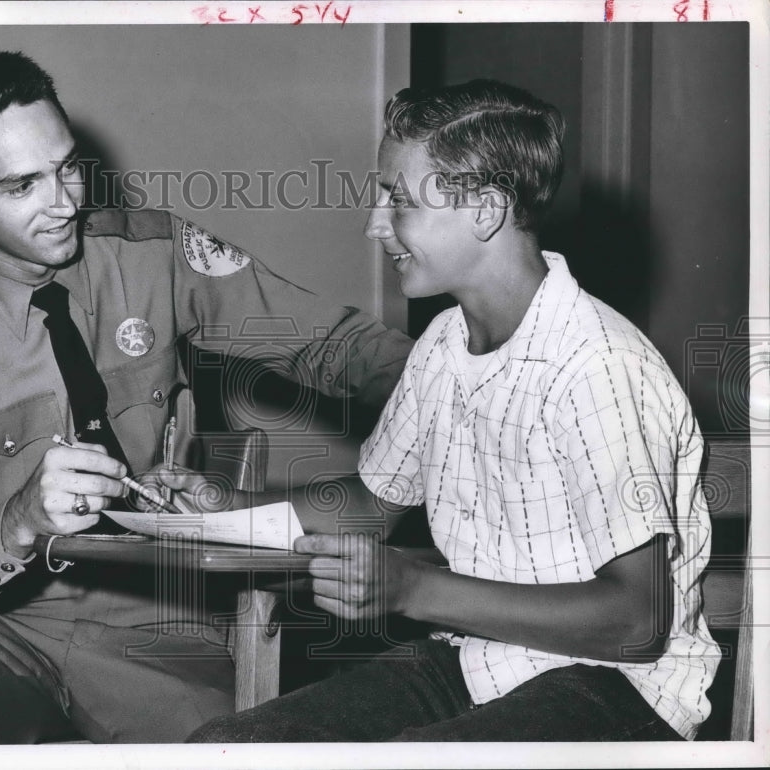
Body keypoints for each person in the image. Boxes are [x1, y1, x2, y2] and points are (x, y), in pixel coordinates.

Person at [0, 50, 414, 745]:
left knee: (246, 741)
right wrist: (20, 522)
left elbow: (336, 346)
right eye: (22, 185)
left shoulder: (154, 252)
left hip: (161, 627)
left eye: (68, 166)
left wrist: (468, 388)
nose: (66, 201)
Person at [181, 80, 721, 742]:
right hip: (476, 657)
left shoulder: (596, 365)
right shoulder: (441, 345)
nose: (376, 224)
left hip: (619, 688)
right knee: (227, 748)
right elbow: (373, 503)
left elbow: (636, 621)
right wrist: (226, 508)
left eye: (400, 201)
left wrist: (415, 590)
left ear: (486, 211)